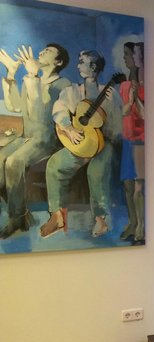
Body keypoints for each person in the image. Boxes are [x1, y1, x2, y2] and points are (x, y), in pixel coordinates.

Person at [39, 50, 122, 238]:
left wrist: (110, 111)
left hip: (102, 144)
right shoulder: (73, 91)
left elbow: (117, 129)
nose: (78, 66)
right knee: (54, 164)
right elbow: (59, 109)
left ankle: (101, 220)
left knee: (96, 172)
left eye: (82, 62)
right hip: (79, 142)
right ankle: (57, 217)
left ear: (93, 66)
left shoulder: (109, 94)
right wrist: (69, 128)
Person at [0, 44, 70, 239]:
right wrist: (11, 74)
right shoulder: (31, 79)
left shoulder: (63, 85)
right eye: (43, 49)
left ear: (58, 62)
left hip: (47, 139)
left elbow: (40, 114)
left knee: (14, 162)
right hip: (28, 137)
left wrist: (32, 77)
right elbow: (15, 106)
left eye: (49, 51)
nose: (42, 52)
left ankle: (17, 219)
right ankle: (22, 215)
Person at [119, 42, 145, 244]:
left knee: (138, 188)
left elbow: (144, 115)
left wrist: (135, 99)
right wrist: (130, 100)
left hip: (140, 141)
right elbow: (124, 111)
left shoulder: (145, 86)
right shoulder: (126, 85)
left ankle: (141, 225)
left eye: (130, 54)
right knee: (128, 186)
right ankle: (133, 222)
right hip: (127, 139)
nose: (127, 58)